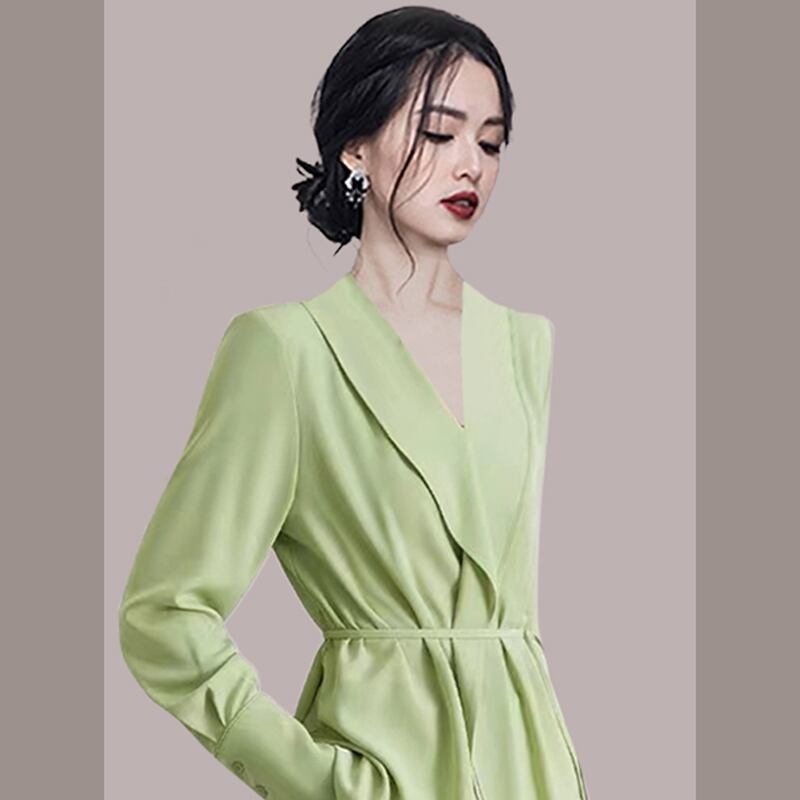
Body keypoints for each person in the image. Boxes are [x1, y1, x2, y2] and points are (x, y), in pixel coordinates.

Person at [118, 6, 590, 799]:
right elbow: (163, 615)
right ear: (356, 146)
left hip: (529, 771)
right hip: (386, 765)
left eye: (490, 142)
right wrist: (318, 780)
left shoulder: (525, 345)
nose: (470, 165)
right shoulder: (285, 351)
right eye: (438, 133)